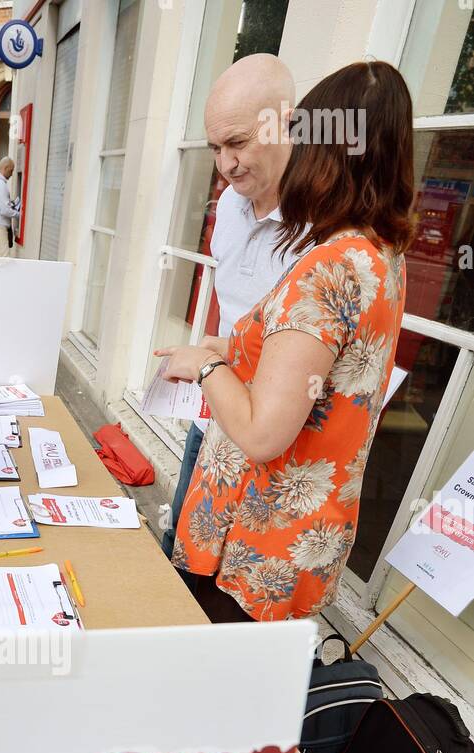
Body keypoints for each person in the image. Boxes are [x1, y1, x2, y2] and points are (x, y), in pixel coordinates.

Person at [160, 61, 413, 623]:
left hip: (254, 543)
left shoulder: (329, 266)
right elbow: (310, 365)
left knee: (200, 681)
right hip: (300, 536)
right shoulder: (381, 256)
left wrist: (204, 365)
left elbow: (262, 433)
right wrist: (233, 351)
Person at [159, 54, 299, 562]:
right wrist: (215, 352)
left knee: (232, 591)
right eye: (216, 147)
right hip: (214, 409)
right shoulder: (229, 207)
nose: (225, 163)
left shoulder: (325, 232)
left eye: (238, 143)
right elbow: (238, 315)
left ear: (287, 124)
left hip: (277, 443)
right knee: (179, 551)